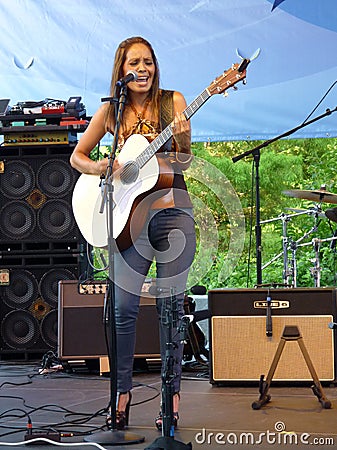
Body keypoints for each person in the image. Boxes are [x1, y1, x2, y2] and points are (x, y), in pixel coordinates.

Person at [70, 36, 196, 431]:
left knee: (171, 311)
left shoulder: (172, 102)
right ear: (121, 70)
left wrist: (184, 136)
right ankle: (121, 393)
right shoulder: (111, 111)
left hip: (172, 214)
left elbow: (185, 162)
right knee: (123, 310)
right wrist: (103, 167)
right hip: (127, 221)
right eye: (134, 63)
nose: (143, 69)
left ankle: (170, 402)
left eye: (149, 62)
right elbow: (77, 156)